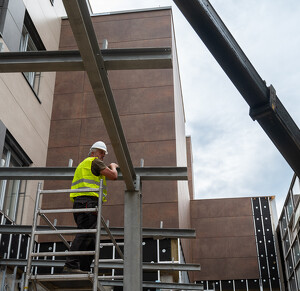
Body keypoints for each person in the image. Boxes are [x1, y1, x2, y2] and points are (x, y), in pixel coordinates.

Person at [62, 141, 119, 274]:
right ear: (93, 152)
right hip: (88, 202)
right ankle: (70, 265)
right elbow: (113, 176)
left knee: (90, 238)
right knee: (84, 233)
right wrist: (113, 166)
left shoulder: (82, 165)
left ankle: (84, 269)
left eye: (104, 153)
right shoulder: (95, 161)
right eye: (101, 152)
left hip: (80, 204)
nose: (103, 155)